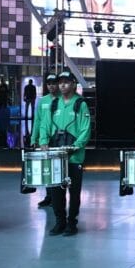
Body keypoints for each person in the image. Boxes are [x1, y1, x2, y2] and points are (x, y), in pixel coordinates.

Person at [37, 71, 91, 236]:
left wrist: (76, 146)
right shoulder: (54, 104)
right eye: (60, 82)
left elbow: (86, 128)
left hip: (74, 157)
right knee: (56, 190)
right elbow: (44, 125)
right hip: (55, 155)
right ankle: (59, 221)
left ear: (74, 84)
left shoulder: (80, 104)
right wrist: (43, 141)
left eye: (66, 82)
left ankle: (71, 223)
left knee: (74, 192)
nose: (62, 85)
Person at [32, 73, 59, 208]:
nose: (51, 86)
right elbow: (37, 120)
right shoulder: (42, 101)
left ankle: (57, 198)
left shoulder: (62, 99)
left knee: (57, 169)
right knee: (47, 168)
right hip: (45, 139)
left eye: (54, 83)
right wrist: (34, 138)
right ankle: (49, 196)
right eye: (49, 84)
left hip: (58, 138)